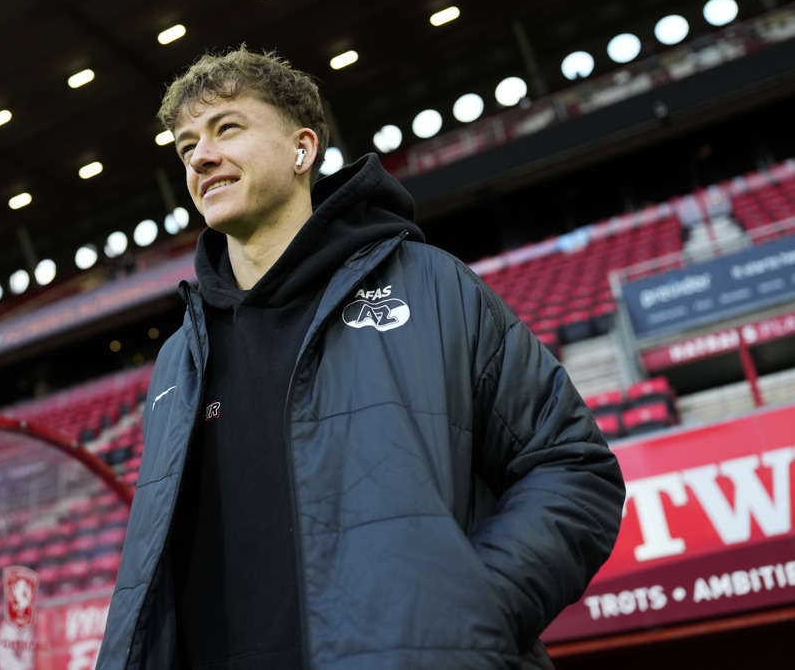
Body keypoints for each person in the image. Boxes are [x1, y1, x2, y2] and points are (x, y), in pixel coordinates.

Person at [97, 47, 625, 669]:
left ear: (302, 149)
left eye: (227, 128)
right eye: (186, 146)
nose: (200, 157)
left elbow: (572, 468)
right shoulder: (177, 361)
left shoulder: (432, 287)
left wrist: (472, 608)